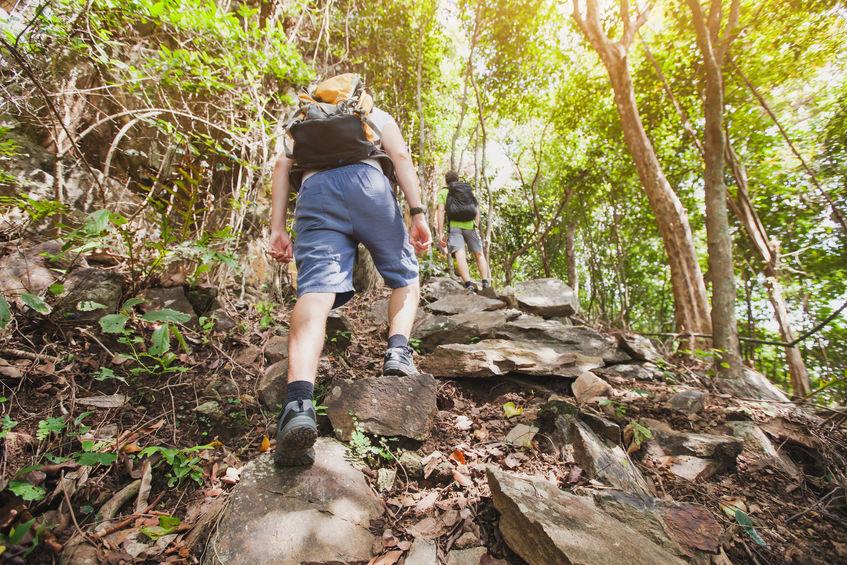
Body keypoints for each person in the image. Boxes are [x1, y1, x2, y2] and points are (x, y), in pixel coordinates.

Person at [268, 74, 432, 466]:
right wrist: (418, 212)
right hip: (370, 187)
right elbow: (401, 158)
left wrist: (276, 228)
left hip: (316, 192)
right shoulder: (373, 116)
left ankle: (298, 404)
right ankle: (397, 353)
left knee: (315, 293)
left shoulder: (302, 124)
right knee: (405, 277)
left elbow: (280, 167)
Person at [437, 171, 490, 291]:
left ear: (446, 181)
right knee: (479, 253)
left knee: (460, 253)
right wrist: (475, 225)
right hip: (470, 226)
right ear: (458, 179)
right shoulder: (466, 191)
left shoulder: (444, 192)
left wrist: (440, 232)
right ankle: (485, 282)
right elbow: (476, 209)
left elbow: (440, 211)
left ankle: (468, 284)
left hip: (454, 227)